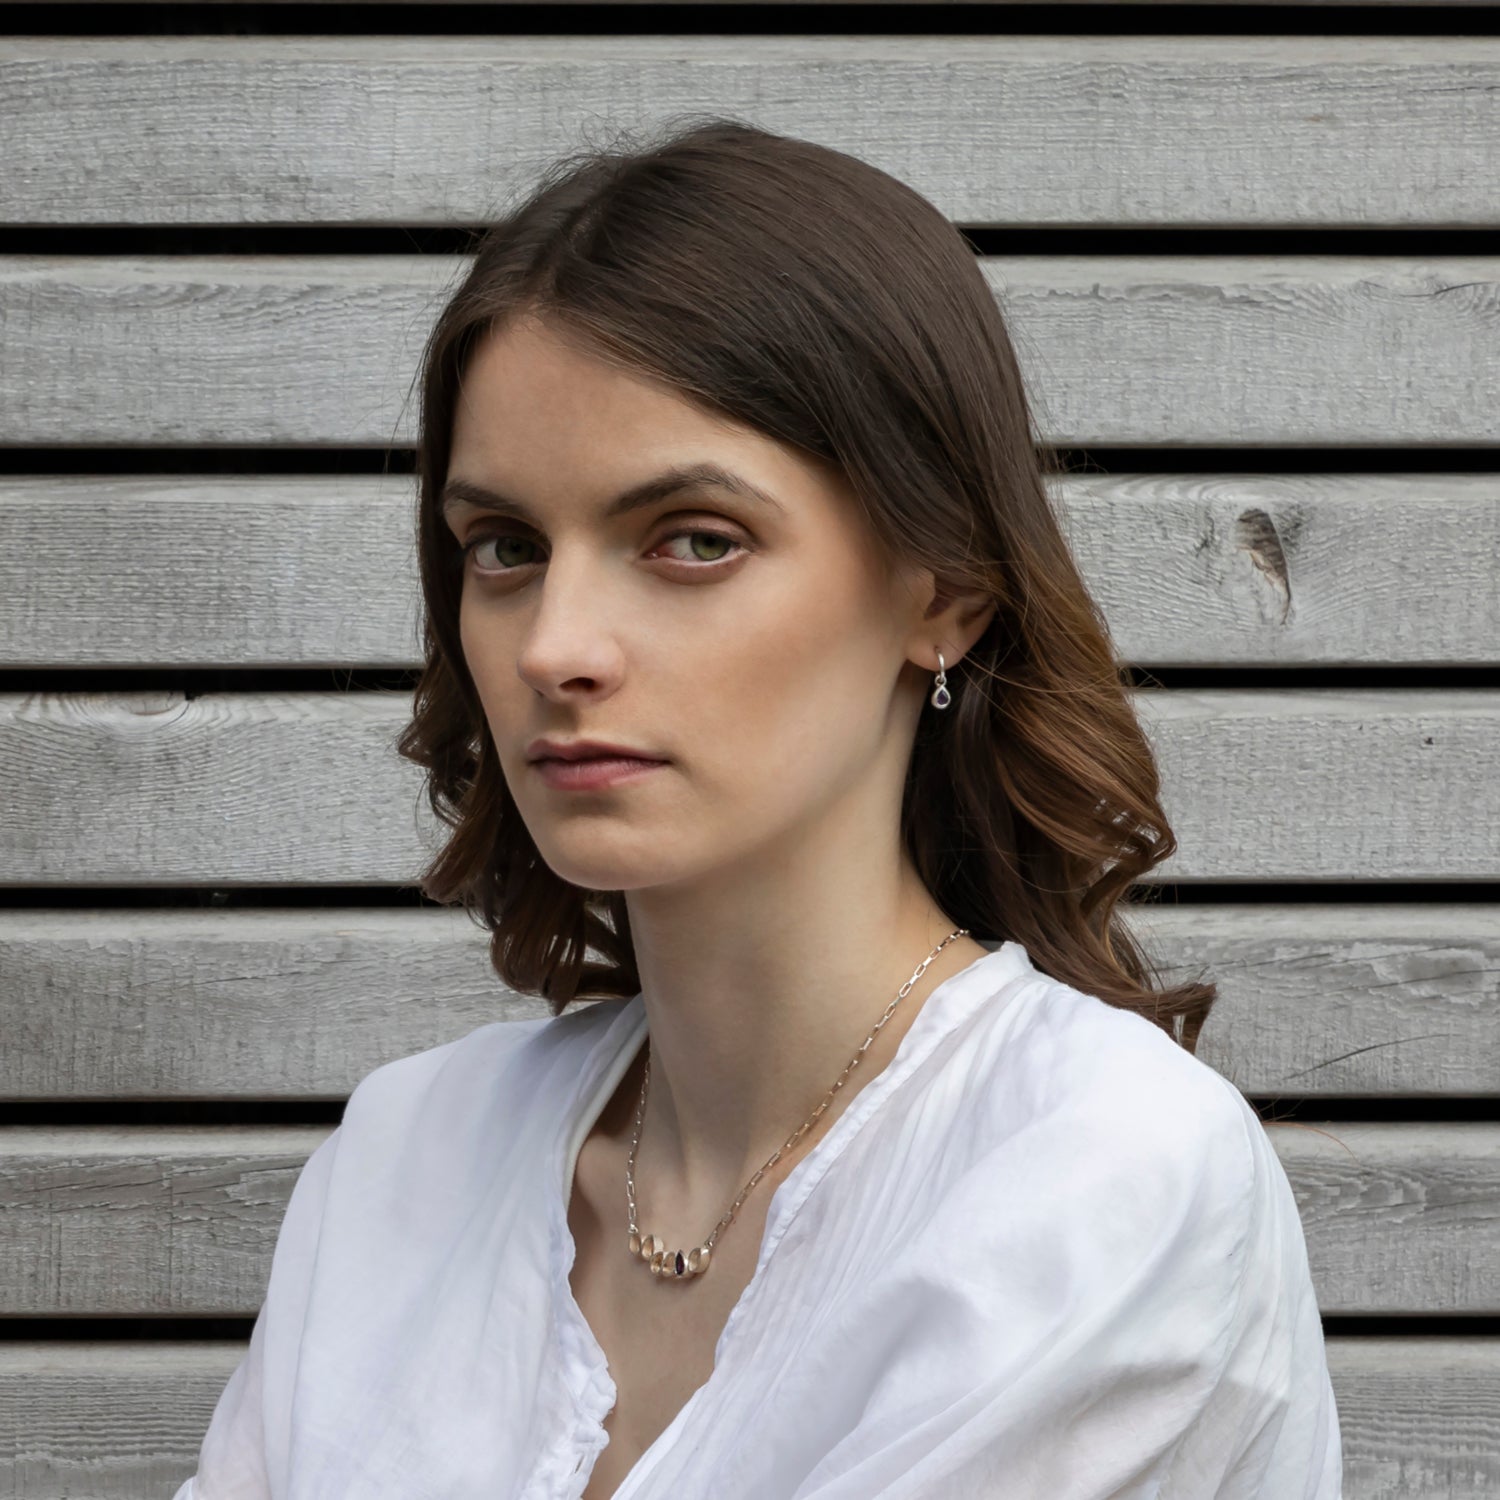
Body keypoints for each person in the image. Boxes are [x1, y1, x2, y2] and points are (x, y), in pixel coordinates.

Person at [173, 117, 1342, 1498]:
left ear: (942, 591)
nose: (556, 645)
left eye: (692, 540)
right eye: (505, 547)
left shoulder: (1104, 1174)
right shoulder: (406, 1159)